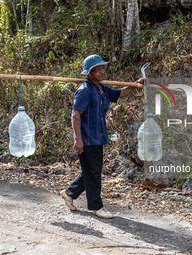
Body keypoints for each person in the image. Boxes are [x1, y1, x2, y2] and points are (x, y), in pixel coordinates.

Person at [60, 54, 144, 218]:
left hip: (98, 136)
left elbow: (121, 93)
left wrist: (136, 84)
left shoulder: (102, 89)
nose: (102, 72)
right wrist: (78, 139)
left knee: (92, 170)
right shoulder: (84, 91)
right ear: (89, 72)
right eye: (98, 70)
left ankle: (69, 193)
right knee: (94, 172)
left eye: (103, 68)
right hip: (87, 138)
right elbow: (75, 116)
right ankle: (97, 207)